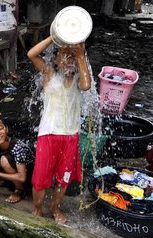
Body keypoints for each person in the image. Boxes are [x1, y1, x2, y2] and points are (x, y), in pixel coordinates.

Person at [27, 36, 91, 224]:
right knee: (40, 178)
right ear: (55, 59)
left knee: (63, 178)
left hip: (71, 136)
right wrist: (53, 37)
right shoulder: (49, 73)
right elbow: (31, 54)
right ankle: (37, 209)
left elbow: (87, 86)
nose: (69, 60)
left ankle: (55, 207)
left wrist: (81, 55)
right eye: (65, 55)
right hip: (48, 134)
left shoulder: (80, 77)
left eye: (73, 57)